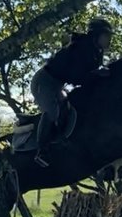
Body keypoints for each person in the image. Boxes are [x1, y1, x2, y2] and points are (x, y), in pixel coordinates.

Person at [30, 18, 114, 167]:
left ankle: (60, 141)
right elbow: (77, 78)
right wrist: (98, 74)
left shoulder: (96, 51)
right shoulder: (81, 47)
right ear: (96, 35)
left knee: (68, 109)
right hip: (44, 81)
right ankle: (41, 151)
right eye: (106, 36)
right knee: (52, 112)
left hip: (57, 85)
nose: (109, 40)